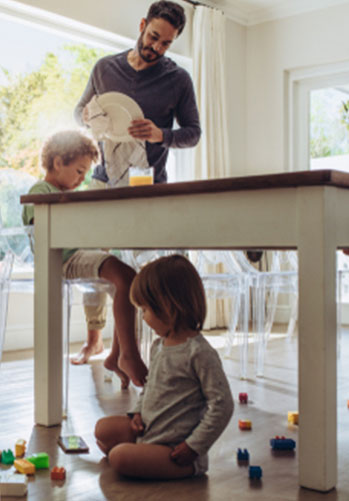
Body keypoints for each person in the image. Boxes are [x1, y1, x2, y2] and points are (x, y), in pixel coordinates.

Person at [22, 130, 148, 388]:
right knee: (125, 276)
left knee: (129, 284)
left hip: (82, 254)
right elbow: (46, 230)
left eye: (85, 173)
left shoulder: (67, 192)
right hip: (64, 259)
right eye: (79, 171)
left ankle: (116, 355)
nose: (82, 179)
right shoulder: (41, 190)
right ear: (58, 163)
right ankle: (128, 355)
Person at [94, 255, 234, 479]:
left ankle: (138, 456)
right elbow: (150, 387)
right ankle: (138, 452)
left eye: (145, 310)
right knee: (102, 429)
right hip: (149, 431)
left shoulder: (199, 353)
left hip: (175, 451)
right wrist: (137, 412)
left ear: (169, 307)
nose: (143, 318)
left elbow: (223, 405)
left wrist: (193, 447)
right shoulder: (159, 346)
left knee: (119, 457)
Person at [74, 0, 201, 186]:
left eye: (166, 43)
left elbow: (194, 133)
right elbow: (78, 113)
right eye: (153, 37)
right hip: (103, 182)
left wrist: (161, 136)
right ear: (142, 25)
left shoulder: (178, 79)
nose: (157, 47)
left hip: (148, 184)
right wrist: (85, 117)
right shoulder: (104, 68)